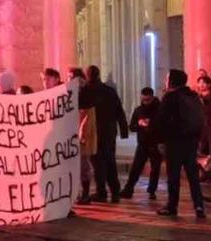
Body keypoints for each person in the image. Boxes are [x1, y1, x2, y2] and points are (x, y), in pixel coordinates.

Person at [156, 69, 207, 220]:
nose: (166, 81)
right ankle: (199, 207)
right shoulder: (193, 96)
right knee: (193, 177)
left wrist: (159, 139)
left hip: (174, 142)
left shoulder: (170, 97)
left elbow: (161, 120)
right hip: (191, 141)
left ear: (172, 81)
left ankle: (172, 206)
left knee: (173, 176)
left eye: (167, 78)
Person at [85, 66, 128, 203]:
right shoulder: (109, 91)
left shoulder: (87, 91)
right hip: (109, 132)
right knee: (110, 162)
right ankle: (115, 192)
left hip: (95, 132)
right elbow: (119, 111)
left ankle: (101, 192)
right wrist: (124, 131)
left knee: (98, 164)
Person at [121, 87, 164, 200]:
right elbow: (132, 126)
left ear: (152, 97)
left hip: (155, 143)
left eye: (148, 100)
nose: (146, 102)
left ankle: (152, 191)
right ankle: (128, 189)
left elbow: (163, 126)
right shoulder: (138, 110)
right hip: (143, 143)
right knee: (136, 167)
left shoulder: (160, 110)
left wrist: (151, 125)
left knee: (155, 169)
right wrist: (139, 124)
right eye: (144, 100)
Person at [70, 68, 96, 204]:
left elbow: (87, 115)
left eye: (71, 77)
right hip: (74, 134)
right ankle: (80, 193)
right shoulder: (75, 93)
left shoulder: (86, 95)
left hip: (81, 136)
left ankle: (85, 194)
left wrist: (82, 133)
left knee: (83, 166)